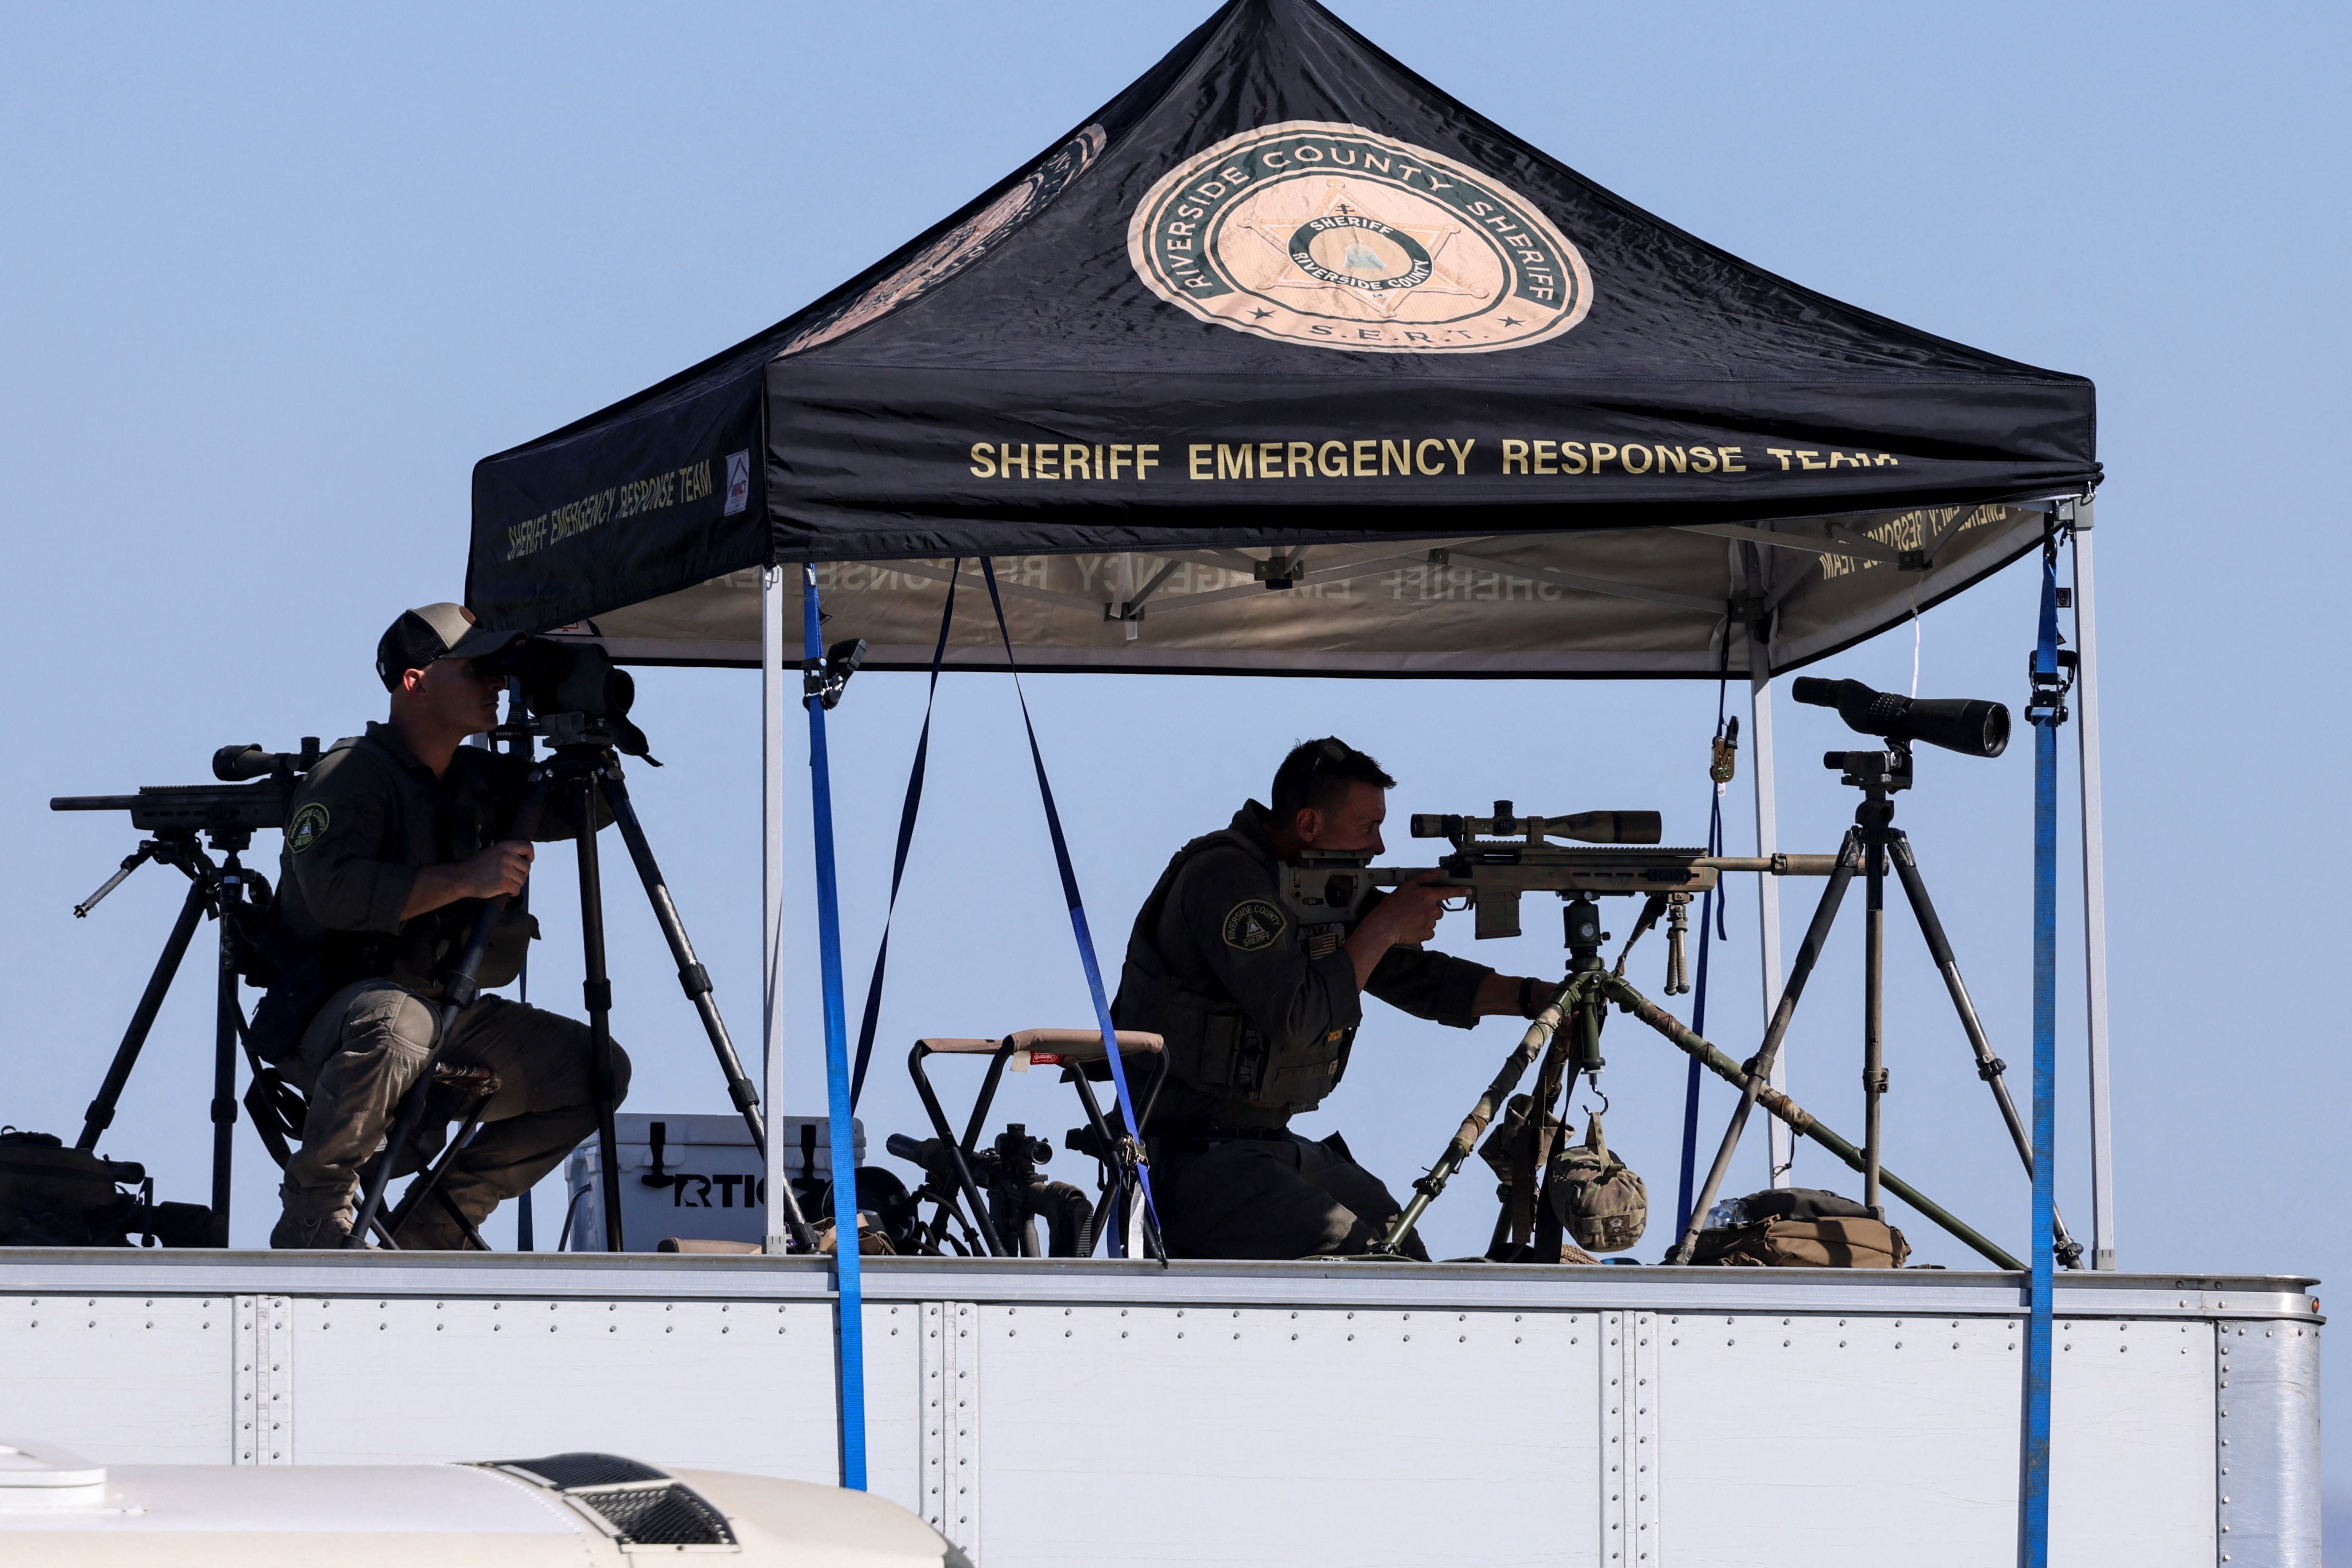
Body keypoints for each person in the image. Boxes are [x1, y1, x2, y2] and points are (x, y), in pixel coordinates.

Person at [267, 602, 629, 1250]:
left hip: (440, 1009)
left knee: (593, 1071)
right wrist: (467, 877)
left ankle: (437, 1221)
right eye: (477, 669)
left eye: (499, 670)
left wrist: (585, 728)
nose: (496, 683)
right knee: (397, 1022)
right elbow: (334, 895)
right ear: (417, 681)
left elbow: (590, 808)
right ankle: (314, 1210)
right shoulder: (351, 777)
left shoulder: (472, 777)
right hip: (339, 1009)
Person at [1112, 737, 1556, 1260]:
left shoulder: (1316, 879)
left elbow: (1411, 975)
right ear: (1308, 826)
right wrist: (1385, 925)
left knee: (1406, 1253)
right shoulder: (1227, 879)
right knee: (1374, 1268)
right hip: (1187, 1160)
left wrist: (1536, 999)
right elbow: (1298, 1015)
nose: (1379, 848)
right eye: (1368, 827)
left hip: (1265, 1144)